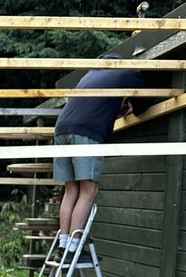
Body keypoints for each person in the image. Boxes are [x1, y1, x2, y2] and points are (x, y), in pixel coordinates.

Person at [53, 55, 158, 254]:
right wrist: (130, 106)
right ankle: (74, 248)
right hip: (86, 132)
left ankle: (63, 243)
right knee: (88, 190)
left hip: (61, 129)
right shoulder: (129, 71)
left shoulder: (90, 74)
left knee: (71, 190)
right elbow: (144, 105)